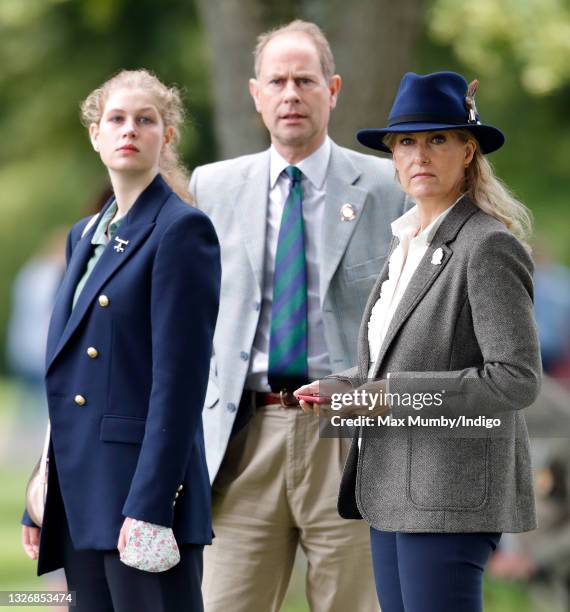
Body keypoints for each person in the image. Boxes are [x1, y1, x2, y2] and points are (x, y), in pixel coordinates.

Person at [295, 71, 542, 612]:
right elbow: (397, 365)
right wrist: (345, 390)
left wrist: (389, 395)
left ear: (468, 151)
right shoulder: (405, 244)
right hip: (390, 488)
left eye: (437, 140)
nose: (420, 155)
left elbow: (515, 380)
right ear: (392, 155)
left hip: (451, 493)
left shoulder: (488, 245)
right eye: (406, 142)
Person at [189, 19, 408, 612]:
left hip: (351, 439)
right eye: (278, 81)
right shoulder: (210, 188)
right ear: (255, 94)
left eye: (305, 81)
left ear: (332, 90)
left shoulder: (390, 187)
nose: (291, 94)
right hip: (241, 439)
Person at [20, 69, 221, 612]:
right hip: (83, 494)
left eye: (146, 119)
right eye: (117, 119)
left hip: (142, 499)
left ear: (167, 136)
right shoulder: (84, 235)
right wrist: (43, 491)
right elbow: (68, 373)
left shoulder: (182, 230)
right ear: (96, 134)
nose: (129, 129)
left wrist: (151, 504)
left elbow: (179, 385)